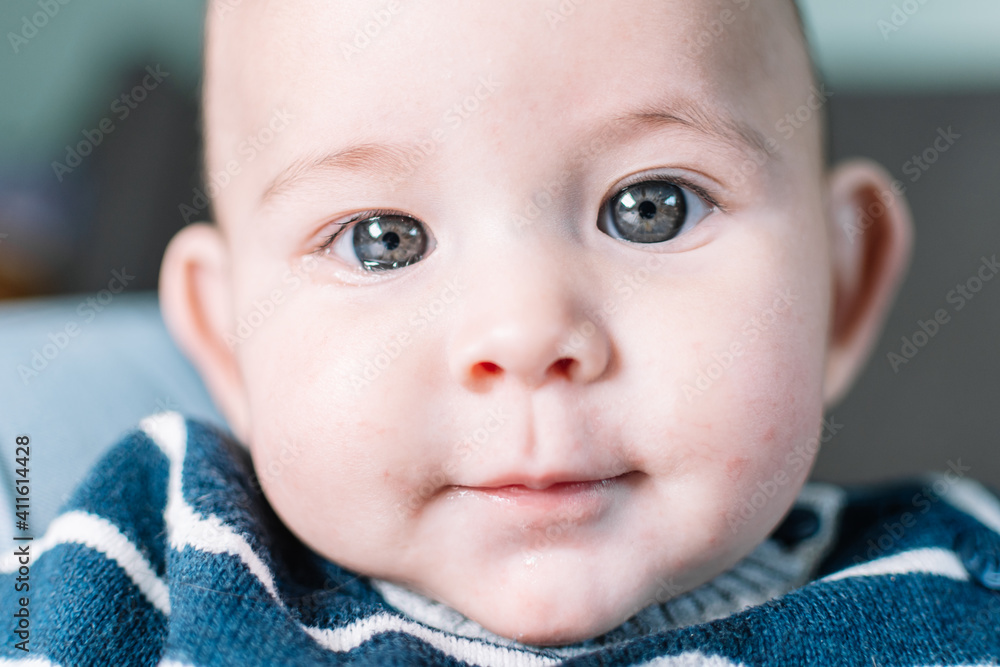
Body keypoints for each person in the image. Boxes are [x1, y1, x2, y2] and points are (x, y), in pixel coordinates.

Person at [3, 0, 999, 664]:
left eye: (649, 207)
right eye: (383, 239)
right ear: (228, 342)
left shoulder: (955, 586)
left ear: (842, 285)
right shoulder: (151, 564)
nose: (525, 333)